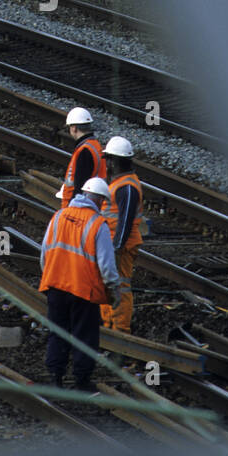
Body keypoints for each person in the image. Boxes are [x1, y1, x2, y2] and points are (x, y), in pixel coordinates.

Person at [39, 177, 120, 393]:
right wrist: (114, 288)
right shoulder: (97, 224)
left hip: (55, 286)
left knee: (58, 332)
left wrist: (49, 277)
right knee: (84, 336)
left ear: (83, 194)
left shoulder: (59, 216)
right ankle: (81, 380)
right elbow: (107, 266)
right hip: (83, 291)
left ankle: (56, 377)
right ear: (101, 200)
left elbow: (44, 252)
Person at [99, 136, 143, 334]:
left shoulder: (127, 186)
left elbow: (125, 221)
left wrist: (116, 247)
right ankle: (108, 326)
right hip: (111, 245)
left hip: (121, 247)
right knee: (108, 283)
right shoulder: (121, 183)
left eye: (108, 159)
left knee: (120, 287)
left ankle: (121, 331)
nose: (106, 164)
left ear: (115, 161)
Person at [58, 106, 106, 206]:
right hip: (94, 200)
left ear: (74, 128)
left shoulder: (84, 151)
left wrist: (72, 206)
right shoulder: (95, 145)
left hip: (79, 205)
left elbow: (80, 184)